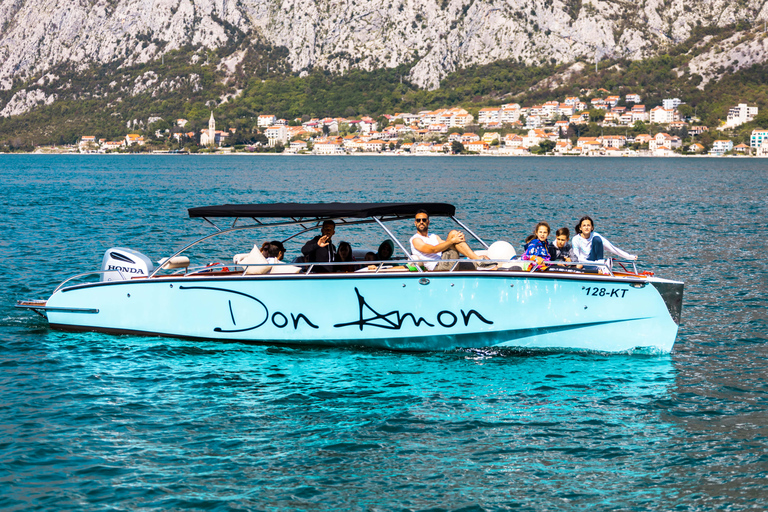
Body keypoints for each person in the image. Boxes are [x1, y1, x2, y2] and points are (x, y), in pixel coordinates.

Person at [409, 210, 487, 270]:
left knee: (485, 263)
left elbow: (448, 244)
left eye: (424, 220)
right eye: (418, 220)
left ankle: (478, 260)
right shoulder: (415, 239)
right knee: (453, 233)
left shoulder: (434, 236)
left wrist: (460, 239)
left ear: (428, 222)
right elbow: (433, 249)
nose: (421, 222)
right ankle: (477, 259)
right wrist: (453, 240)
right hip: (438, 267)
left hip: (446, 261)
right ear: (415, 223)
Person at [572, 216, 637, 268]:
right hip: (582, 264)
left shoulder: (595, 235)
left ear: (592, 227)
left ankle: (600, 266)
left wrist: (629, 256)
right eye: (584, 225)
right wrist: (596, 263)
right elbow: (577, 258)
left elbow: (612, 248)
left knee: (597, 239)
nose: (586, 227)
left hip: (595, 261)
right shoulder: (576, 239)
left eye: (588, 225)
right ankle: (600, 265)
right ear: (580, 228)